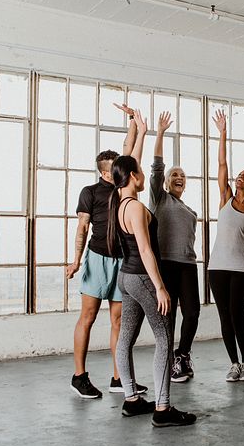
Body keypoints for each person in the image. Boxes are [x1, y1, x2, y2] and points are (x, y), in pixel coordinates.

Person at [108, 111, 196, 427]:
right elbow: (146, 249)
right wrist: (160, 287)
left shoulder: (119, 200)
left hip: (125, 278)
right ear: (133, 177)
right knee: (163, 338)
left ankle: (131, 400)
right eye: (140, 172)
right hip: (143, 278)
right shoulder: (134, 208)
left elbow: (128, 163)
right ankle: (162, 408)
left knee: (126, 339)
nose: (144, 174)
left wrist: (141, 132)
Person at [65, 109, 149, 399]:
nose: (119, 172)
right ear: (103, 172)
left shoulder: (124, 190)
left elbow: (131, 155)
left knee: (118, 321)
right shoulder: (90, 192)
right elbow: (82, 227)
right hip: (97, 258)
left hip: (121, 260)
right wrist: (76, 260)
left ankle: (118, 377)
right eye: (113, 170)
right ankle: (79, 376)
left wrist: (136, 126)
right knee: (87, 316)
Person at [122, 110, 201, 383]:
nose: (178, 176)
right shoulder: (159, 197)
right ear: (166, 182)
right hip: (165, 263)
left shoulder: (189, 209)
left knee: (192, 312)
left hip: (188, 265)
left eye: (182, 175)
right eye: (174, 174)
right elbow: (156, 165)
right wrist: (160, 133)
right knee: (169, 315)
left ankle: (183, 355)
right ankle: (167, 360)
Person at [208, 109, 244, 382]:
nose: (239, 177)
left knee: (237, 317)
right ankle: (233, 364)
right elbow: (221, 165)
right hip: (217, 267)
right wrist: (222, 133)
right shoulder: (226, 197)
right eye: (239, 174)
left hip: (241, 269)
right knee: (224, 318)